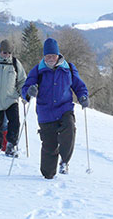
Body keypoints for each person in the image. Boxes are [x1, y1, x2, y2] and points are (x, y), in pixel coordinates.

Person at [21, 37, 89, 179]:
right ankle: (48, 174)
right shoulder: (38, 70)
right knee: (49, 148)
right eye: (47, 56)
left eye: (53, 55)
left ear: (58, 55)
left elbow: (78, 85)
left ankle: (64, 161)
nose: (50, 58)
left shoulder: (68, 68)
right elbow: (26, 86)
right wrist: (29, 91)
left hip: (64, 108)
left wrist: (83, 96)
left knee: (69, 128)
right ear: (44, 56)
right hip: (45, 112)